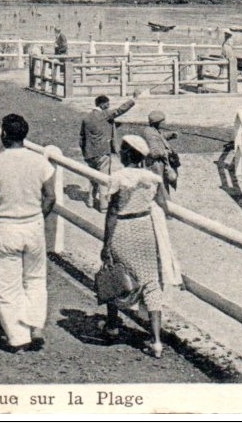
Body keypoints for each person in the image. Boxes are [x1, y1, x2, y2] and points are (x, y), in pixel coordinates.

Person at [0, 114, 56, 352]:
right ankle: (36, 325)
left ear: (3, 135)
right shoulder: (40, 162)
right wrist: (37, 217)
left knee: (7, 285)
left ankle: (17, 336)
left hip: (5, 226)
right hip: (32, 224)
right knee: (35, 278)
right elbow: (50, 197)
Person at [100, 135, 176, 358]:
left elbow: (112, 212)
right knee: (151, 282)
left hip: (123, 229)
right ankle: (156, 340)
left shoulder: (118, 178)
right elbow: (163, 204)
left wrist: (106, 243)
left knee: (117, 277)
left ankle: (113, 326)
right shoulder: (152, 177)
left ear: (126, 154)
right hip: (145, 228)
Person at [80, 93, 136, 210]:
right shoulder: (105, 114)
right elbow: (120, 110)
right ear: (103, 104)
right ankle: (103, 205)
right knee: (103, 178)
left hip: (89, 153)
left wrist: (85, 152)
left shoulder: (86, 117)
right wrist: (133, 99)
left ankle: (90, 201)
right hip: (102, 152)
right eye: (108, 104)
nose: (109, 106)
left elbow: (82, 138)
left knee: (92, 177)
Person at [141, 110, 179, 193]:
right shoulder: (149, 133)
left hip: (160, 164)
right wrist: (166, 152)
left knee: (163, 186)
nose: (164, 123)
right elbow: (154, 153)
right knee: (160, 190)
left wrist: (171, 135)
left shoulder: (154, 130)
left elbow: (160, 136)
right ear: (157, 122)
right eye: (163, 121)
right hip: (155, 165)